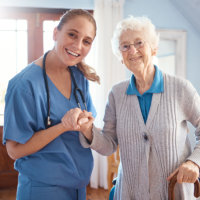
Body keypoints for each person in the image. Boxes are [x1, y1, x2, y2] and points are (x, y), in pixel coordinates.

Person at [75, 16, 200, 199]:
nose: (132, 50)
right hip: (130, 192)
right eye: (125, 46)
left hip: (173, 192)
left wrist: (194, 162)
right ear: (120, 57)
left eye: (139, 43)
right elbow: (109, 144)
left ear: (154, 48)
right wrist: (88, 131)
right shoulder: (116, 94)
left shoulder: (181, 89)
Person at [3, 9, 100, 200]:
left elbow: (89, 127)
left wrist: (86, 124)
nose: (78, 45)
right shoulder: (24, 84)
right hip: (42, 189)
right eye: (72, 34)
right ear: (56, 33)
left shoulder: (79, 77)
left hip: (78, 186)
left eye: (86, 41)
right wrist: (62, 127)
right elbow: (13, 150)